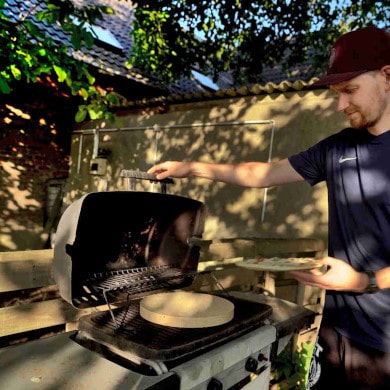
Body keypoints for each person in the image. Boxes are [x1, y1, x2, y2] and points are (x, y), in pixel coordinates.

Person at [148, 26, 390, 389]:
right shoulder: (337, 148)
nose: (340, 106)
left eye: (350, 91)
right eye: (336, 94)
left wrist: (362, 281)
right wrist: (192, 167)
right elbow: (263, 173)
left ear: (387, 77)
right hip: (336, 334)